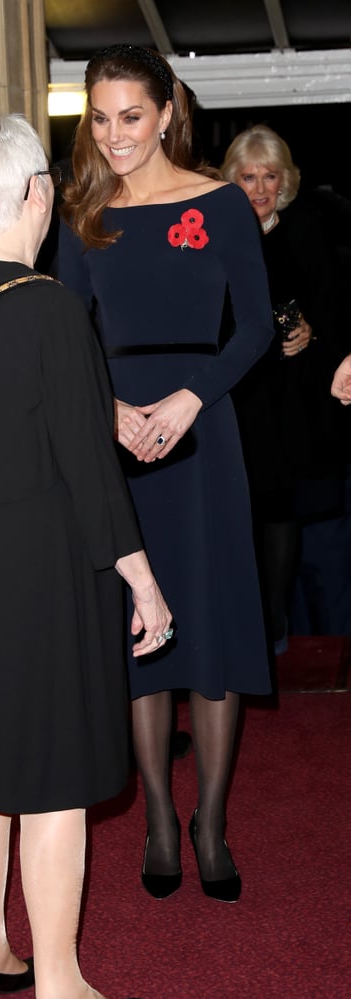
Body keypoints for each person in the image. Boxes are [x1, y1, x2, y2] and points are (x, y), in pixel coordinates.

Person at [0, 112, 174, 999]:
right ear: (33, 195)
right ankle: (58, 984)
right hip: (39, 569)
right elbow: (89, 474)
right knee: (54, 776)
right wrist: (140, 578)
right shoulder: (47, 303)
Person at [56, 44, 273, 906]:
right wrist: (106, 409)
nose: (114, 136)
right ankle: (155, 820)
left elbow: (254, 329)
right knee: (142, 642)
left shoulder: (220, 204)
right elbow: (67, 337)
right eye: (100, 118)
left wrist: (188, 399)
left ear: (167, 111)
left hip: (203, 429)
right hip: (117, 438)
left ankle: (209, 824)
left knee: (211, 628)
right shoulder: (82, 214)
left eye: (131, 116)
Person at [221, 125, 351, 644]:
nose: (258, 188)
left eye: (268, 176)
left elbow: (333, 304)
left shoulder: (306, 230)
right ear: (232, 178)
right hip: (238, 396)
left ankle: (278, 633)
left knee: (287, 519)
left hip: (294, 405)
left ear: (285, 181)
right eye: (248, 176)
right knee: (241, 517)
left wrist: (311, 331)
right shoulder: (220, 235)